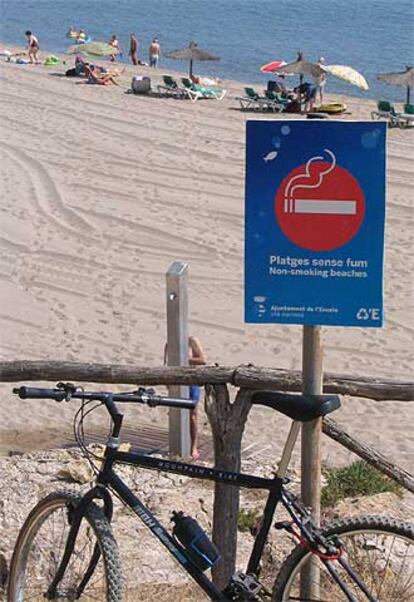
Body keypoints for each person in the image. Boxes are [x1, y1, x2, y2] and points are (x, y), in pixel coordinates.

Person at [164, 336, 207, 459]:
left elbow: (203, 360)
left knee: (192, 416)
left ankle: (193, 446)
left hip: (191, 379)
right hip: (175, 380)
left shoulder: (192, 341)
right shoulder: (169, 343)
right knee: (174, 413)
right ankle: (175, 445)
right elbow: (166, 363)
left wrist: (184, 360)